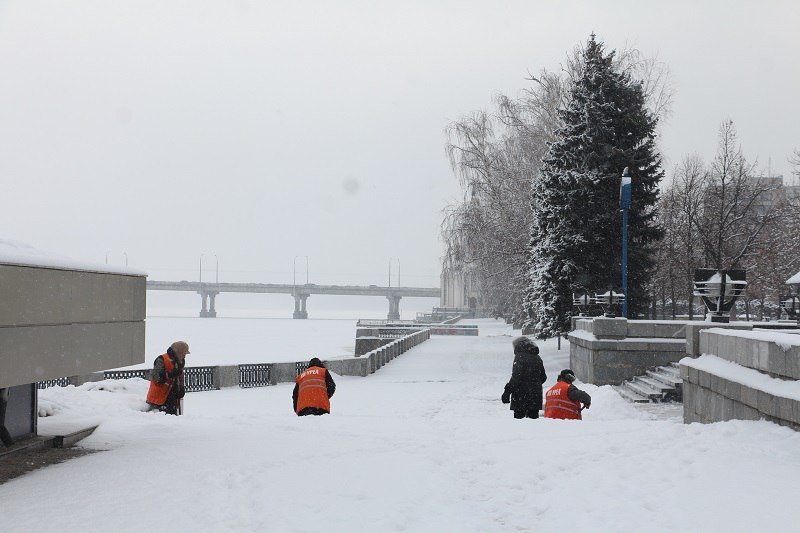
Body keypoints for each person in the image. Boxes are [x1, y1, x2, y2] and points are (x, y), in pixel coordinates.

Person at [501, 336, 547, 419]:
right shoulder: (537, 357)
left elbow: (516, 377)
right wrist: (534, 385)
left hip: (521, 397)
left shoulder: (519, 357)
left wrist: (507, 392)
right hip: (535, 397)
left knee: (520, 423)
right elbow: (543, 377)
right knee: (533, 422)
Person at [146, 341, 189, 415]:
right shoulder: (162, 359)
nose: (184, 356)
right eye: (183, 354)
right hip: (158, 400)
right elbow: (157, 378)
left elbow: (179, 377)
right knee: (161, 423)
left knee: (172, 421)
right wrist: (170, 374)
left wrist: (181, 388)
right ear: (177, 352)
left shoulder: (180, 362)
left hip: (172, 399)